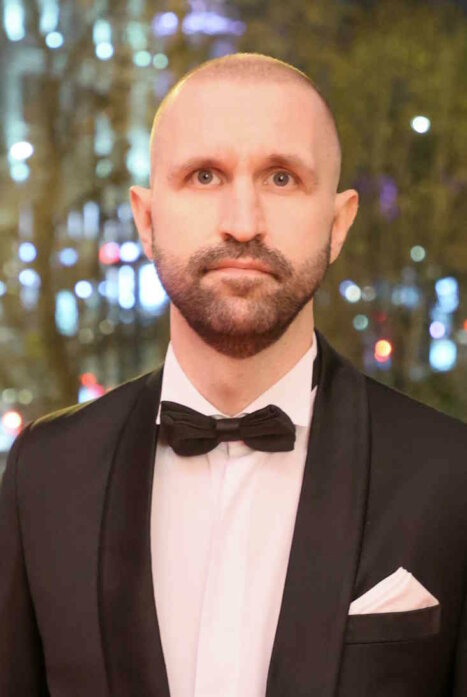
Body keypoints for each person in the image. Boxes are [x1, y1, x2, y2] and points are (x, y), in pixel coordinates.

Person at [0, 52, 465, 697]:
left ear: (338, 224)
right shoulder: (43, 475)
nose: (243, 223)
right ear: (147, 219)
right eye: (204, 175)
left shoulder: (451, 478)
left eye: (281, 178)